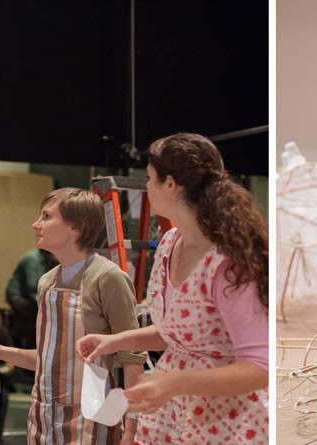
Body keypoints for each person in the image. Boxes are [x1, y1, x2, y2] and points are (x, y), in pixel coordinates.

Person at [76, 133, 270, 444]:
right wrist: (115, 341)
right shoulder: (169, 243)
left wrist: (176, 383)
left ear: (170, 184)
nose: (147, 187)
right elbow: (183, 332)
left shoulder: (227, 262)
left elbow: (260, 366)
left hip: (225, 419)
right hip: (174, 411)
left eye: (150, 178)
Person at [0, 187, 146, 445]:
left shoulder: (108, 278)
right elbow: (48, 361)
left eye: (46, 217)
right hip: (45, 418)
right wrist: (2, 352)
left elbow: (133, 358)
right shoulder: (47, 281)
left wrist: (131, 430)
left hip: (94, 417)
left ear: (76, 227)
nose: (36, 224)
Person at [6, 248, 57, 350]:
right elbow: (32, 285)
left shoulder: (45, 259)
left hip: (29, 295)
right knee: (42, 314)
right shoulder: (32, 259)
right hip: (18, 296)